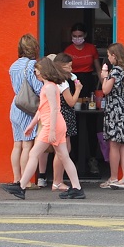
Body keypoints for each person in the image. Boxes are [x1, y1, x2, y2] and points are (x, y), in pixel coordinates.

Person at [2, 59, 85, 200]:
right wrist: (32, 125)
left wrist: (51, 130)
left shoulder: (49, 88)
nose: (35, 74)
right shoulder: (48, 86)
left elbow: (54, 109)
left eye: (36, 71)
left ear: (44, 72)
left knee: (34, 154)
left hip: (51, 126)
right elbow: (42, 109)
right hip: (54, 125)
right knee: (64, 156)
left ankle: (21, 186)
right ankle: (77, 188)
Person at [64, 23, 103, 175]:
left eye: (80, 36)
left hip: (89, 83)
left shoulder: (91, 49)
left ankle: (92, 159)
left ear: (85, 35)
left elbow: (98, 68)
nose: (77, 39)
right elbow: (64, 70)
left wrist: (103, 86)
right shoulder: (68, 50)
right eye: (75, 36)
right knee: (73, 124)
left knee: (92, 125)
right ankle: (74, 159)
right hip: (73, 83)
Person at [99, 42, 124, 189]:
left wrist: (104, 76)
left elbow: (105, 90)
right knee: (122, 145)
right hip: (123, 108)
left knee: (114, 144)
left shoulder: (115, 71)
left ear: (114, 56)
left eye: (108, 55)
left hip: (116, 110)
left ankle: (114, 177)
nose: (108, 58)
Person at [8, 34, 43, 186]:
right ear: (34, 48)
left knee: (17, 145)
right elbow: (37, 88)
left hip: (16, 105)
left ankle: (16, 178)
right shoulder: (32, 66)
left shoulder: (13, 65)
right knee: (27, 145)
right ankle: (25, 181)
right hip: (28, 108)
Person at [51, 53, 83, 192]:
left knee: (62, 150)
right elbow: (71, 102)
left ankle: (57, 180)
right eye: (68, 66)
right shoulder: (62, 82)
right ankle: (57, 181)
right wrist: (78, 90)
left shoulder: (52, 80)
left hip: (59, 115)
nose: (71, 69)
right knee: (63, 151)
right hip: (65, 115)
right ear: (60, 66)